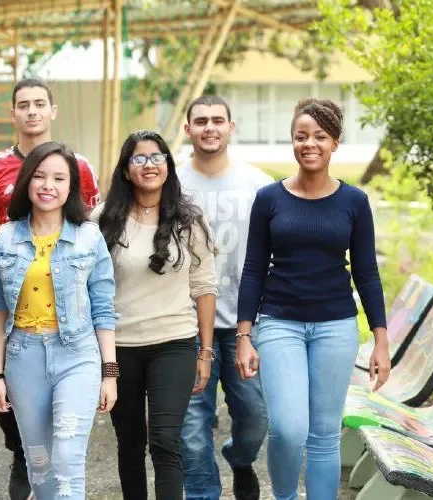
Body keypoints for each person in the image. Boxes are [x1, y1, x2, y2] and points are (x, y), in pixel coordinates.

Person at [235, 98, 390, 500]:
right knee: (287, 428)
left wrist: (381, 340)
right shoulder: (269, 198)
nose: (310, 144)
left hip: (336, 326)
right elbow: (253, 268)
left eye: (320, 136)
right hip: (278, 322)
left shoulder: (354, 202)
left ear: (335, 143)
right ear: (292, 142)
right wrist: (244, 335)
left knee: (323, 434)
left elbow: (367, 273)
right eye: (301, 136)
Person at [0, 78, 101, 499]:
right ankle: (22, 455)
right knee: (29, 436)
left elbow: (87, 239)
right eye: (23, 104)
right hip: (14, 306)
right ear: (12, 113)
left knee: (66, 453)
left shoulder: (79, 166)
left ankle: (31, 463)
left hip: (70, 326)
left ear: (52, 110)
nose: (31, 111)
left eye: (39, 104)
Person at [0, 141, 118, 500]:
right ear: (27, 181)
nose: (49, 186)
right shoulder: (6, 236)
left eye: (59, 178)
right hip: (22, 358)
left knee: (67, 459)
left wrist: (110, 374)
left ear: (71, 187)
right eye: (41, 176)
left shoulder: (89, 237)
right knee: (40, 465)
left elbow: (104, 309)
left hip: (77, 355)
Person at [93, 129, 218, 499]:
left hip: (174, 344)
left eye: (157, 157)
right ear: (126, 170)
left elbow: (205, 287)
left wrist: (205, 351)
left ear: (168, 165)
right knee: (129, 442)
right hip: (121, 346)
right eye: (139, 158)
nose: (149, 165)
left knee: (165, 441)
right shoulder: (103, 220)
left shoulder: (189, 219)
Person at [177, 95, 271, 500]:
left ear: (232, 128)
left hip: (245, 323)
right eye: (201, 121)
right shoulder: (172, 183)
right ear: (188, 129)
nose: (209, 127)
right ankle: (204, 494)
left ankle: (240, 458)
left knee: (255, 416)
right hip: (185, 322)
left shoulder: (260, 184)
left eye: (218, 120)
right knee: (191, 430)